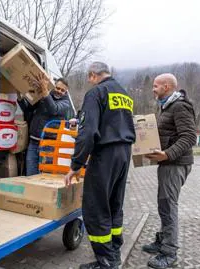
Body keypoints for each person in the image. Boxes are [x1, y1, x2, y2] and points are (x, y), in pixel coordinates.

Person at [65, 62, 136, 269]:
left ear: (94, 75)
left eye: (89, 78)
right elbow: (113, 121)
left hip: (105, 154)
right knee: (115, 203)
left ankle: (106, 262)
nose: (89, 82)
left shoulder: (96, 93)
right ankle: (114, 251)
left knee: (96, 207)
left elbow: (87, 134)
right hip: (124, 153)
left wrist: (75, 165)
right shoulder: (123, 93)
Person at [143, 73, 197, 269]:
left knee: (168, 205)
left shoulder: (180, 106)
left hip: (176, 164)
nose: (153, 89)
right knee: (163, 204)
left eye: (156, 86)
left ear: (166, 86)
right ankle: (162, 240)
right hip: (169, 163)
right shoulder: (167, 106)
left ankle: (169, 252)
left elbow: (190, 136)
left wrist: (167, 154)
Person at [18, 75, 73, 176]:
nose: (59, 91)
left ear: (66, 92)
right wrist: (20, 98)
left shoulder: (65, 103)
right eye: (57, 88)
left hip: (48, 145)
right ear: (53, 86)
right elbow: (28, 108)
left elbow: (54, 109)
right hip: (34, 142)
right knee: (30, 174)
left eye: (63, 90)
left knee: (44, 175)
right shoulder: (43, 95)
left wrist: (45, 91)